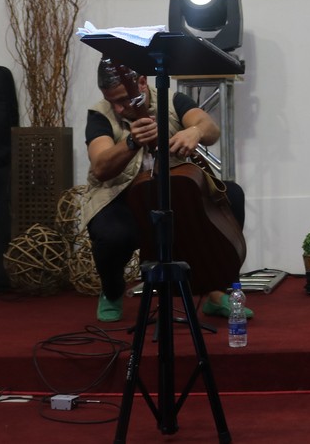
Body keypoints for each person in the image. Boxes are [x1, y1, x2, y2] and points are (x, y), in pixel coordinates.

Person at [79, 58, 250, 323]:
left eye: (123, 99)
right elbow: (101, 167)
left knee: (232, 196)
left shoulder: (172, 100)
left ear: (142, 83)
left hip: (175, 195)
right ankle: (112, 291)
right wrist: (131, 142)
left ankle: (217, 292)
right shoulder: (100, 114)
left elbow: (211, 129)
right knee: (111, 233)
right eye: (111, 101)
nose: (119, 108)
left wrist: (194, 132)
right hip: (123, 198)